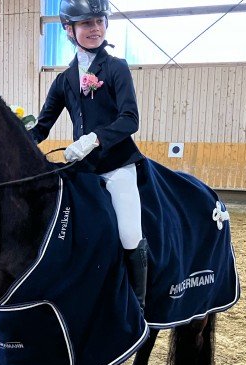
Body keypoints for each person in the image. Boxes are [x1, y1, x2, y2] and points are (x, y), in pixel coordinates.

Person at [31, 0, 149, 311]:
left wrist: (93, 139)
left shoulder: (116, 68)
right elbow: (41, 127)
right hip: (81, 170)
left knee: (128, 231)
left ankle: (137, 303)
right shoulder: (64, 80)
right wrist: (12, 133)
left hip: (117, 165)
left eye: (99, 21)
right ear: (69, 30)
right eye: (86, 23)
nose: (95, 28)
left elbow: (130, 119)